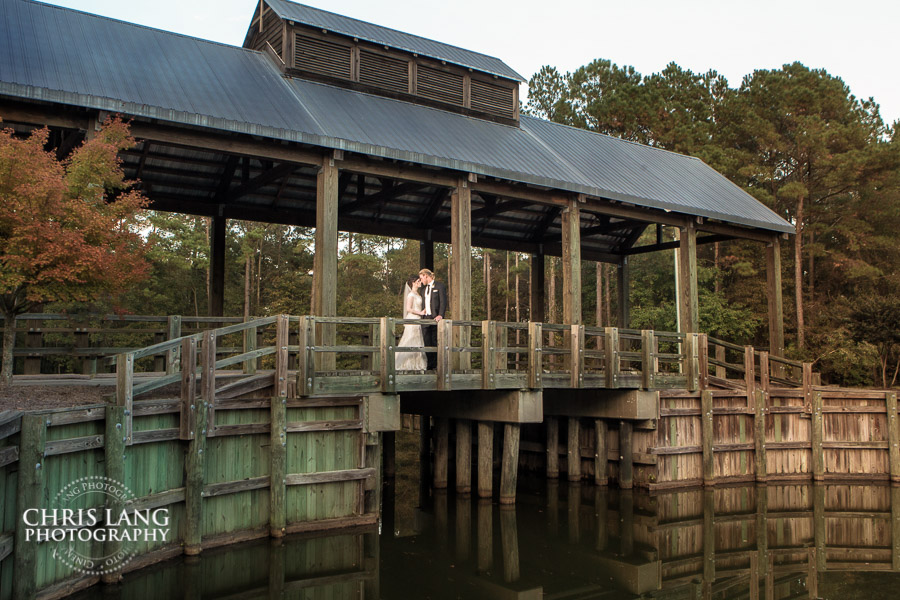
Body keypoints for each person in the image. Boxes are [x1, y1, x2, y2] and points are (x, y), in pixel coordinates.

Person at [395, 276, 427, 371]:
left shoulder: (418, 294)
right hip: (413, 318)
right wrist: (420, 313)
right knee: (410, 338)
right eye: (418, 281)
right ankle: (405, 363)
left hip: (418, 319)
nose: (420, 282)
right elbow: (408, 309)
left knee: (418, 339)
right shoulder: (411, 295)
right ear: (413, 283)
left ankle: (416, 363)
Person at [418, 268, 447, 371]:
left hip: (435, 318)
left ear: (426, 276)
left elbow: (443, 302)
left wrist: (440, 315)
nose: (421, 281)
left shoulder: (439, 286)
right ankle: (429, 365)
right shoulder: (423, 290)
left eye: (421, 278)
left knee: (435, 341)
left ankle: (435, 366)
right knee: (427, 342)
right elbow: (425, 303)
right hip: (425, 318)